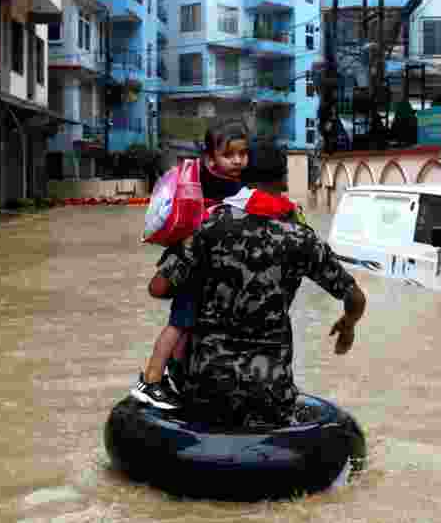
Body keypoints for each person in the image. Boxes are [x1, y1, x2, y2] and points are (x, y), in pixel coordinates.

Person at [148, 139, 367, 427]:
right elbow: (355, 297)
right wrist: (347, 325)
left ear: (242, 178)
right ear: (285, 180)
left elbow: (158, 288)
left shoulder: (211, 226)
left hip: (206, 390)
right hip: (271, 395)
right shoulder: (302, 238)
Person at [130, 118, 251, 409]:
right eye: (229, 154)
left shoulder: (213, 179)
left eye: (243, 154)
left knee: (188, 324)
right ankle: (151, 380)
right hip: (192, 267)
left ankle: (172, 375)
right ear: (210, 158)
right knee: (179, 324)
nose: (237, 160)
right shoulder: (221, 184)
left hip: (193, 263)